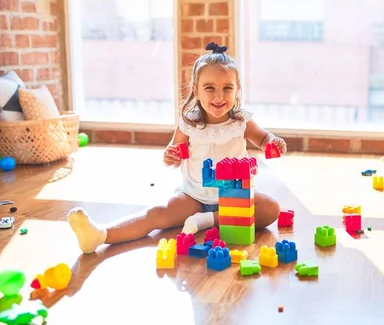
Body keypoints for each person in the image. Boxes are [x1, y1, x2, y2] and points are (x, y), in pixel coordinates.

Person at [68, 42, 286, 254]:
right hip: (194, 198)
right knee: (157, 214)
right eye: (209, 88)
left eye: (227, 88)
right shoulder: (189, 122)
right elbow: (174, 152)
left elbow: (262, 137)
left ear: (237, 90)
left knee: (270, 209)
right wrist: (170, 156)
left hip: (236, 196)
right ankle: (101, 234)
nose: (219, 96)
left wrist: (272, 142)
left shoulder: (241, 121)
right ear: (196, 91)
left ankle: (209, 221)